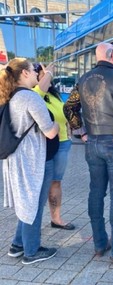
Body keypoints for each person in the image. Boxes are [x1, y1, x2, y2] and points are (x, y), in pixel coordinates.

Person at [64, 41, 113, 264]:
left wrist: (81, 133)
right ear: (112, 55)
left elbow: (69, 107)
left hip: (93, 144)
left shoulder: (83, 79)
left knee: (96, 193)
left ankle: (100, 244)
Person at [1, 58, 60, 264]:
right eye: (34, 70)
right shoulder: (30, 97)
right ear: (24, 73)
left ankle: (18, 245)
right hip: (32, 160)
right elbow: (50, 132)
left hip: (15, 159)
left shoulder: (9, 95)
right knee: (33, 203)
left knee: (27, 201)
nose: (38, 73)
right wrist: (58, 126)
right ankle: (31, 251)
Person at [33, 63, 75, 231]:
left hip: (63, 142)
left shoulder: (54, 94)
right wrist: (48, 72)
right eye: (44, 75)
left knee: (56, 182)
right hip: (48, 145)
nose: (49, 78)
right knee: (45, 185)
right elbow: (39, 90)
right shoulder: (36, 94)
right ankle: (32, 225)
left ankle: (56, 219)